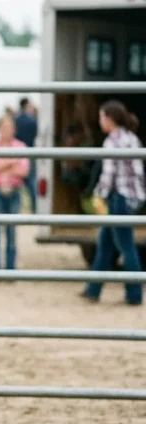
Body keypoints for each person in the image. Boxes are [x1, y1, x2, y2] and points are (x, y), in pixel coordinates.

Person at [82, 100, 145, 306]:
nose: (100, 121)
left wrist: (98, 194)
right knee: (105, 245)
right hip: (129, 197)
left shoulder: (112, 142)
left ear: (109, 119)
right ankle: (93, 289)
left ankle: (135, 293)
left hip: (117, 198)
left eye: (101, 117)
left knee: (126, 247)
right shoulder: (132, 138)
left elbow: (108, 174)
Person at [0, 115, 30, 271]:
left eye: (9, 128)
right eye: (4, 128)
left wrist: (0, 163)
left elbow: (23, 171)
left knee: (11, 232)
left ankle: (10, 269)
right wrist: (12, 161)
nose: (7, 131)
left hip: (14, 191)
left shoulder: (20, 146)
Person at [15, 97, 39, 211]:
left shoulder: (16, 119)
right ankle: (34, 208)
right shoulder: (32, 120)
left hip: (16, 153)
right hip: (30, 152)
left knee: (15, 181)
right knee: (32, 181)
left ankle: (16, 207)